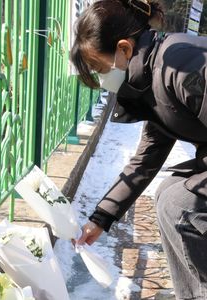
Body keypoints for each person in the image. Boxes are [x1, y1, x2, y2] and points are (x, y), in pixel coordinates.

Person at [70, 0, 207, 299]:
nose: (101, 79)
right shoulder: (153, 78)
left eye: (98, 68)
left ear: (124, 49)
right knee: (168, 195)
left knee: (179, 203)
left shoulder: (182, 66)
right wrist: (101, 218)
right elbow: (145, 159)